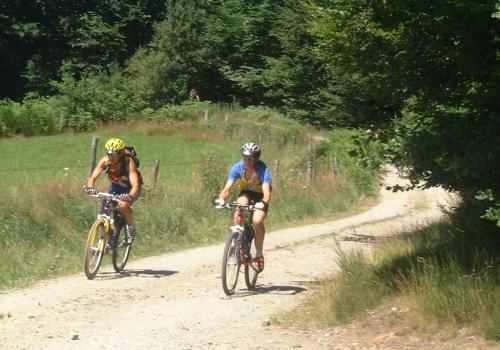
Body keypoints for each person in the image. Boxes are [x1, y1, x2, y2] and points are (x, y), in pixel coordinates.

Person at [216, 142, 272, 272]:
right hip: (246, 192)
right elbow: (227, 188)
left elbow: (267, 192)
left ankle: (258, 253)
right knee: (239, 205)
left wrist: (263, 203)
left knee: (257, 221)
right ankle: (236, 239)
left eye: (251, 158)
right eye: (245, 157)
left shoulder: (262, 170)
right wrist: (221, 199)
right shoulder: (238, 167)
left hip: (261, 196)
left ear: (257, 158)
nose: (248, 160)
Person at [83, 138, 142, 247]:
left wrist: (129, 196)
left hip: (131, 188)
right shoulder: (105, 161)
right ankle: (108, 237)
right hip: (116, 186)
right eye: (108, 154)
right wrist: (90, 187)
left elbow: (135, 185)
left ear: (120, 154)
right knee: (104, 210)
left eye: (113, 154)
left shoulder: (129, 162)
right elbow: (93, 177)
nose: (110, 157)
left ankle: (130, 229)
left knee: (122, 205)